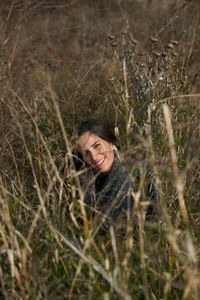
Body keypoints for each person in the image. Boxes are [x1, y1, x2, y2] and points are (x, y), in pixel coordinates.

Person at [76, 119, 158, 233]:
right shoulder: (83, 185)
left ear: (111, 143)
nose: (94, 157)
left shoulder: (142, 174)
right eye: (86, 153)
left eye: (97, 146)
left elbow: (158, 223)